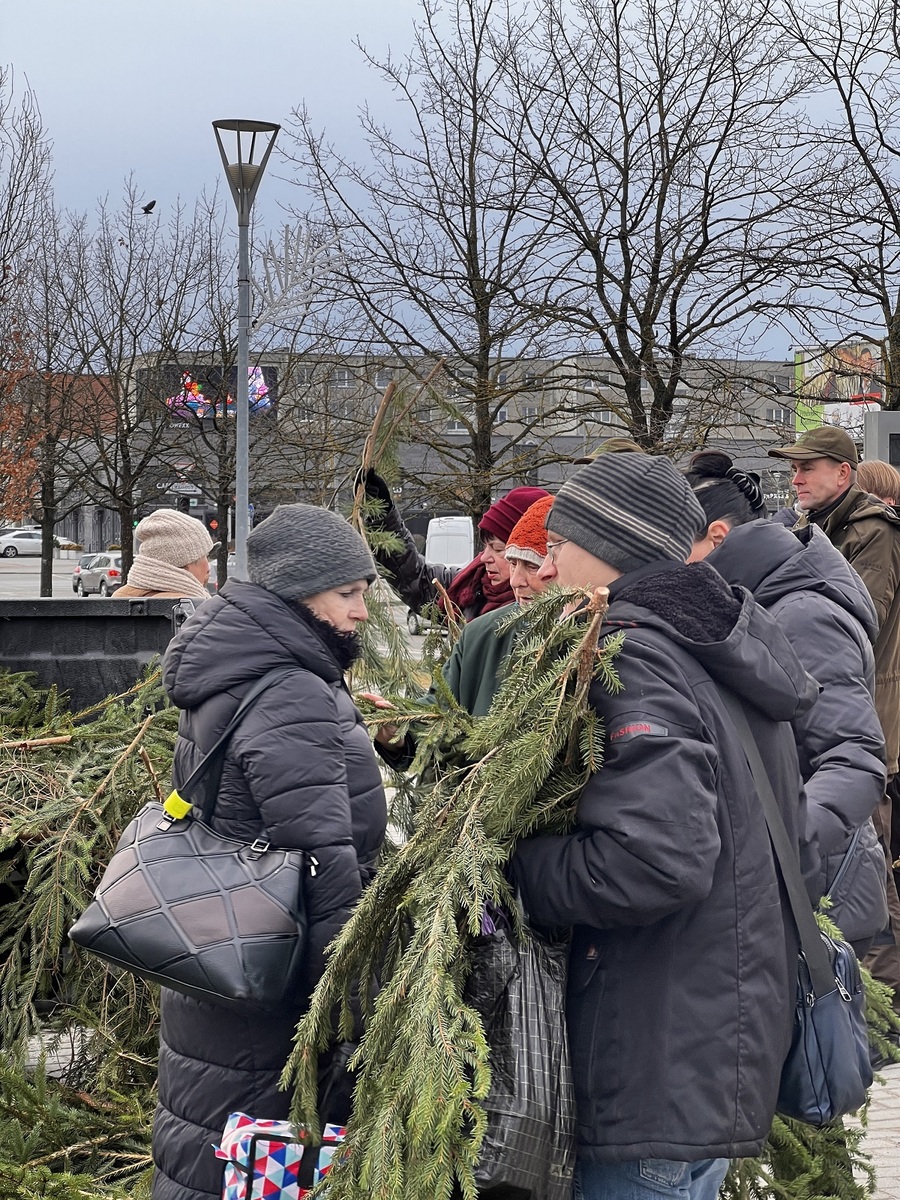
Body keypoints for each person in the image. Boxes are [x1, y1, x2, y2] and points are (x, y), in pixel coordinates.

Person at [510, 451, 816, 1200]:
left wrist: (510, 866)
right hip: (701, 1058)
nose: (544, 574)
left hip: (645, 1067)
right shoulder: (719, 646)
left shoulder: (636, 656)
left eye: (556, 551)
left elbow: (654, 862)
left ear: (611, 549)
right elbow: (796, 849)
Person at [151, 504, 388, 1200]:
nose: (363, 612)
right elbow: (321, 862)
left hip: (223, 965)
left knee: (210, 1157)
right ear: (300, 592)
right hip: (278, 998)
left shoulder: (238, 665)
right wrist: (348, 1013)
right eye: (349, 593)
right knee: (262, 1162)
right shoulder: (290, 689)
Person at [686, 449, 887, 956]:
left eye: (676, 546)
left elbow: (854, 756)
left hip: (822, 897)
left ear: (717, 537)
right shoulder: (752, 599)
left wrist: (781, 853)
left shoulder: (799, 614)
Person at [769, 426, 900, 1009]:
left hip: (868, 712)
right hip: (831, 711)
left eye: (809, 467)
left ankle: (884, 994)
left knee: (866, 850)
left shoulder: (872, 534)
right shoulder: (809, 532)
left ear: (843, 473)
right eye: (793, 468)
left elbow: (857, 622)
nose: (796, 477)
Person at [355, 468, 548, 619]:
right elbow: (418, 581)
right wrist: (383, 517)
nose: (485, 557)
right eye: (485, 546)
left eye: (498, 549)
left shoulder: (552, 608)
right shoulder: (470, 588)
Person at [114, 508, 217, 600]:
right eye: (205, 556)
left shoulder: (119, 597)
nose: (208, 567)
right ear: (184, 563)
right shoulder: (191, 605)